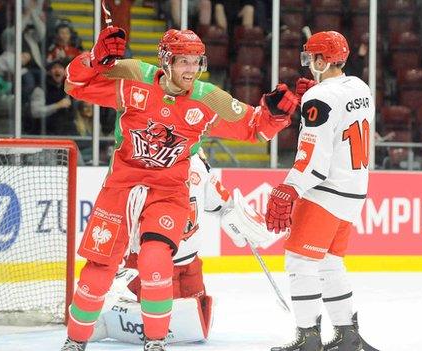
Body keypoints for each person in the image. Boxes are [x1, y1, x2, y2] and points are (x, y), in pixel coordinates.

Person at [61, 26, 298, 351]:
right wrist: (93, 58)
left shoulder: (208, 98)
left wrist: (276, 116)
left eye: (196, 61)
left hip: (169, 191)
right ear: (166, 60)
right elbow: (75, 84)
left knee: (155, 259)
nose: (191, 69)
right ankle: (75, 341)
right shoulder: (132, 76)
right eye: (183, 61)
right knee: (98, 270)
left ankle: (156, 342)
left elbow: (255, 130)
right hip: (122, 184)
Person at [89, 147, 277, 345]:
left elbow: (220, 202)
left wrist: (239, 218)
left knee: (199, 325)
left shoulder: (197, 165)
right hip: (153, 263)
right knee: (168, 328)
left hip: (190, 261)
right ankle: (105, 319)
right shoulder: (144, 165)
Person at [265, 31, 377, 351]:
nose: (307, 64)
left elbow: (314, 155)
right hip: (354, 190)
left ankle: (308, 338)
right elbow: (341, 118)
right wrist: (317, 91)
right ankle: (347, 335)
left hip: (325, 190)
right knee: (330, 262)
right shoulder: (359, 86)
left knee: (300, 261)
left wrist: (291, 188)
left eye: (310, 58)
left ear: (320, 60)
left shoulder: (320, 97)